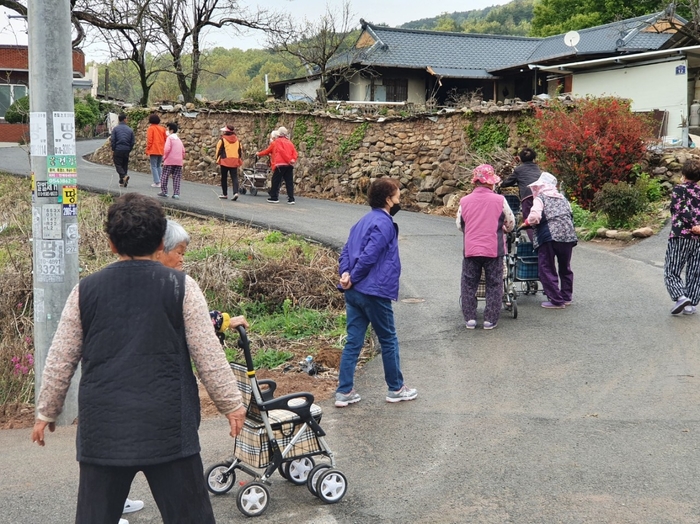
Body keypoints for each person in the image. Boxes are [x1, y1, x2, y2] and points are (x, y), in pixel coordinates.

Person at [30, 193, 247, 524]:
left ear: (111, 244)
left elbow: (61, 357)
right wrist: (231, 403)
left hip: (104, 431)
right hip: (169, 427)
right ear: (161, 242)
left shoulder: (84, 291)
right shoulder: (182, 287)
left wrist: (46, 410)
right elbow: (208, 354)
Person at [336, 178, 417, 407]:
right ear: (388, 199)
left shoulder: (361, 221)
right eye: (397, 196)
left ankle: (344, 391)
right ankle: (396, 388)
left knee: (353, 340)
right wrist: (355, 277)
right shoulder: (384, 223)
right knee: (388, 339)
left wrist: (346, 275)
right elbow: (370, 255)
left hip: (353, 292)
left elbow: (346, 251)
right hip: (374, 290)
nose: (399, 199)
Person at [456, 164, 515, 330]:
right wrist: (503, 229)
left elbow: (460, 225)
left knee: (468, 283)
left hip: (471, 248)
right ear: (491, 183)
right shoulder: (500, 200)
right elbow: (510, 223)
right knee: (495, 283)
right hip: (493, 249)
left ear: (475, 182)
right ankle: (490, 319)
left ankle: (470, 319)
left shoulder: (464, 201)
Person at [523, 172, 578, 309]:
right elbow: (570, 215)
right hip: (568, 235)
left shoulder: (540, 198)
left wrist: (527, 223)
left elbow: (535, 216)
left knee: (546, 267)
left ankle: (556, 300)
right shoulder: (563, 198)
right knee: (565, 267)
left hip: (549, 236)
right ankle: (566, 297)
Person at [664, 158, 700, 315]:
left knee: (672, 269)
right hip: (698, 238)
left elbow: (681, 209)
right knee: (695, 270)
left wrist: (693, 224)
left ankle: (680, 296)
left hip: (680, 235)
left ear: (684, 174)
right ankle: (690, 304)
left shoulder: (679, 189)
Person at [500, 147, 541, 239]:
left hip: (527, 195)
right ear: (534, 158)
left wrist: (501, 184)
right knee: (540, 218)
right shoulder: (537, 168)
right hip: (540, 195)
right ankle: (541, 240)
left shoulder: (519, 169)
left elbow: (508, 182)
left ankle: (534, 243)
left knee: (528, 220)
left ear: (521, 159)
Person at [256, 126, 298, 205]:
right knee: (289, 182)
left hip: (280, 164)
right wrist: (292, 160)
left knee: (275, 180)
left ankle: (274, 197)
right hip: (289, 165)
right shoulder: (289, 142)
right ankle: (291, 198)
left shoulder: (277, 141)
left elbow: (281, 151)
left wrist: (288, 159)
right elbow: (295, 152)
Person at [215, 124, 244, 201]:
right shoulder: (237, 140)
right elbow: (240, 150)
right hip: (234, 161)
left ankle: (225, 194)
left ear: (226, 131)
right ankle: (235, 193)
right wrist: (239, 159)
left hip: (225, 160)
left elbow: (218, 150)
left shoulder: (222, 140)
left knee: (224, 177)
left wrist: (217, 159)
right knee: (234, 177)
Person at [158, 122, 186, 200]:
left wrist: (164, 158)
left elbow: (167, 149)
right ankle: (176, 193)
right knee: (177, 177)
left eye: (168, 129)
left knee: (164, 176)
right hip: (178, 162)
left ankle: (164, 191)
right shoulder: (179, 140)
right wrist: (181, 158)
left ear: (171, 130)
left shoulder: (169, 138)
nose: (167, 130)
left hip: (169, 161)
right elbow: (183, 151)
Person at [110, 113, 135, 188]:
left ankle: (124, 176)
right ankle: (122, 181)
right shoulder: (130, 130)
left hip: (118, 149)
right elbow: (132, 141)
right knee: (124, 164)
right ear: (124, 119)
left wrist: (113, 149)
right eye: (126, 119)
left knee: (118, 164)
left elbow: (113, 140)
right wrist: (129, 149)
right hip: (126, 149)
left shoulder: (115, 129)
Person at [146, 113, 167, 188]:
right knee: (158, 166)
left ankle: (157, 182)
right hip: (161, 149)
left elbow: (150, 140)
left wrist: (148, 149)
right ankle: (161, 181)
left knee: (153, 166)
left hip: (153, 150)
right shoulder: (162, 128)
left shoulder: (150, 128)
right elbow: (165, 139)